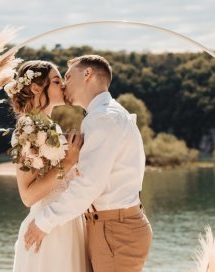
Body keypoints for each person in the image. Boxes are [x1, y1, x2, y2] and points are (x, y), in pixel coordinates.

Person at [24, 55, 153, 272]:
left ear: (87, 74)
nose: (64, 84)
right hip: (112, 227)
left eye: (67, 76)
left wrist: (43, 223)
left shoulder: (103, 118)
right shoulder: (107, 115)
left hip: (115, 231)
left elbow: (89, 185)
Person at [8, 60, 90, 272]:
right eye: (56, 81)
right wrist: (69, 161)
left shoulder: (51, 126)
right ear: (36, 88)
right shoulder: (26, 128)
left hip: (68, 220)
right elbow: (27, 196)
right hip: (47, 229)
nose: (63, 85)